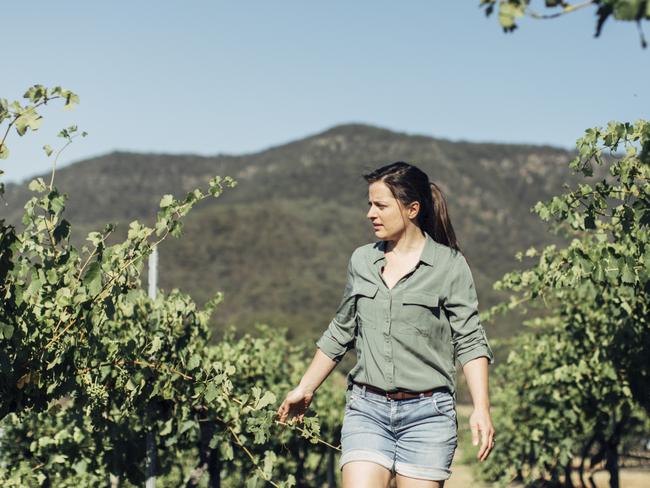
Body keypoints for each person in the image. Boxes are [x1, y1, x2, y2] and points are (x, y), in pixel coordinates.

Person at [276, 162, 495, 488]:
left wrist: (481, 408)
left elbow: (470, 340)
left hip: (428, 416)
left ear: (412, 209)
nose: (370, 214)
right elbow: (341, 330)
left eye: (380, 205)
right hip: (367, 410)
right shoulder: (362, 261)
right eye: (369, 204)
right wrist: (304, 388)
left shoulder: (449, 265)